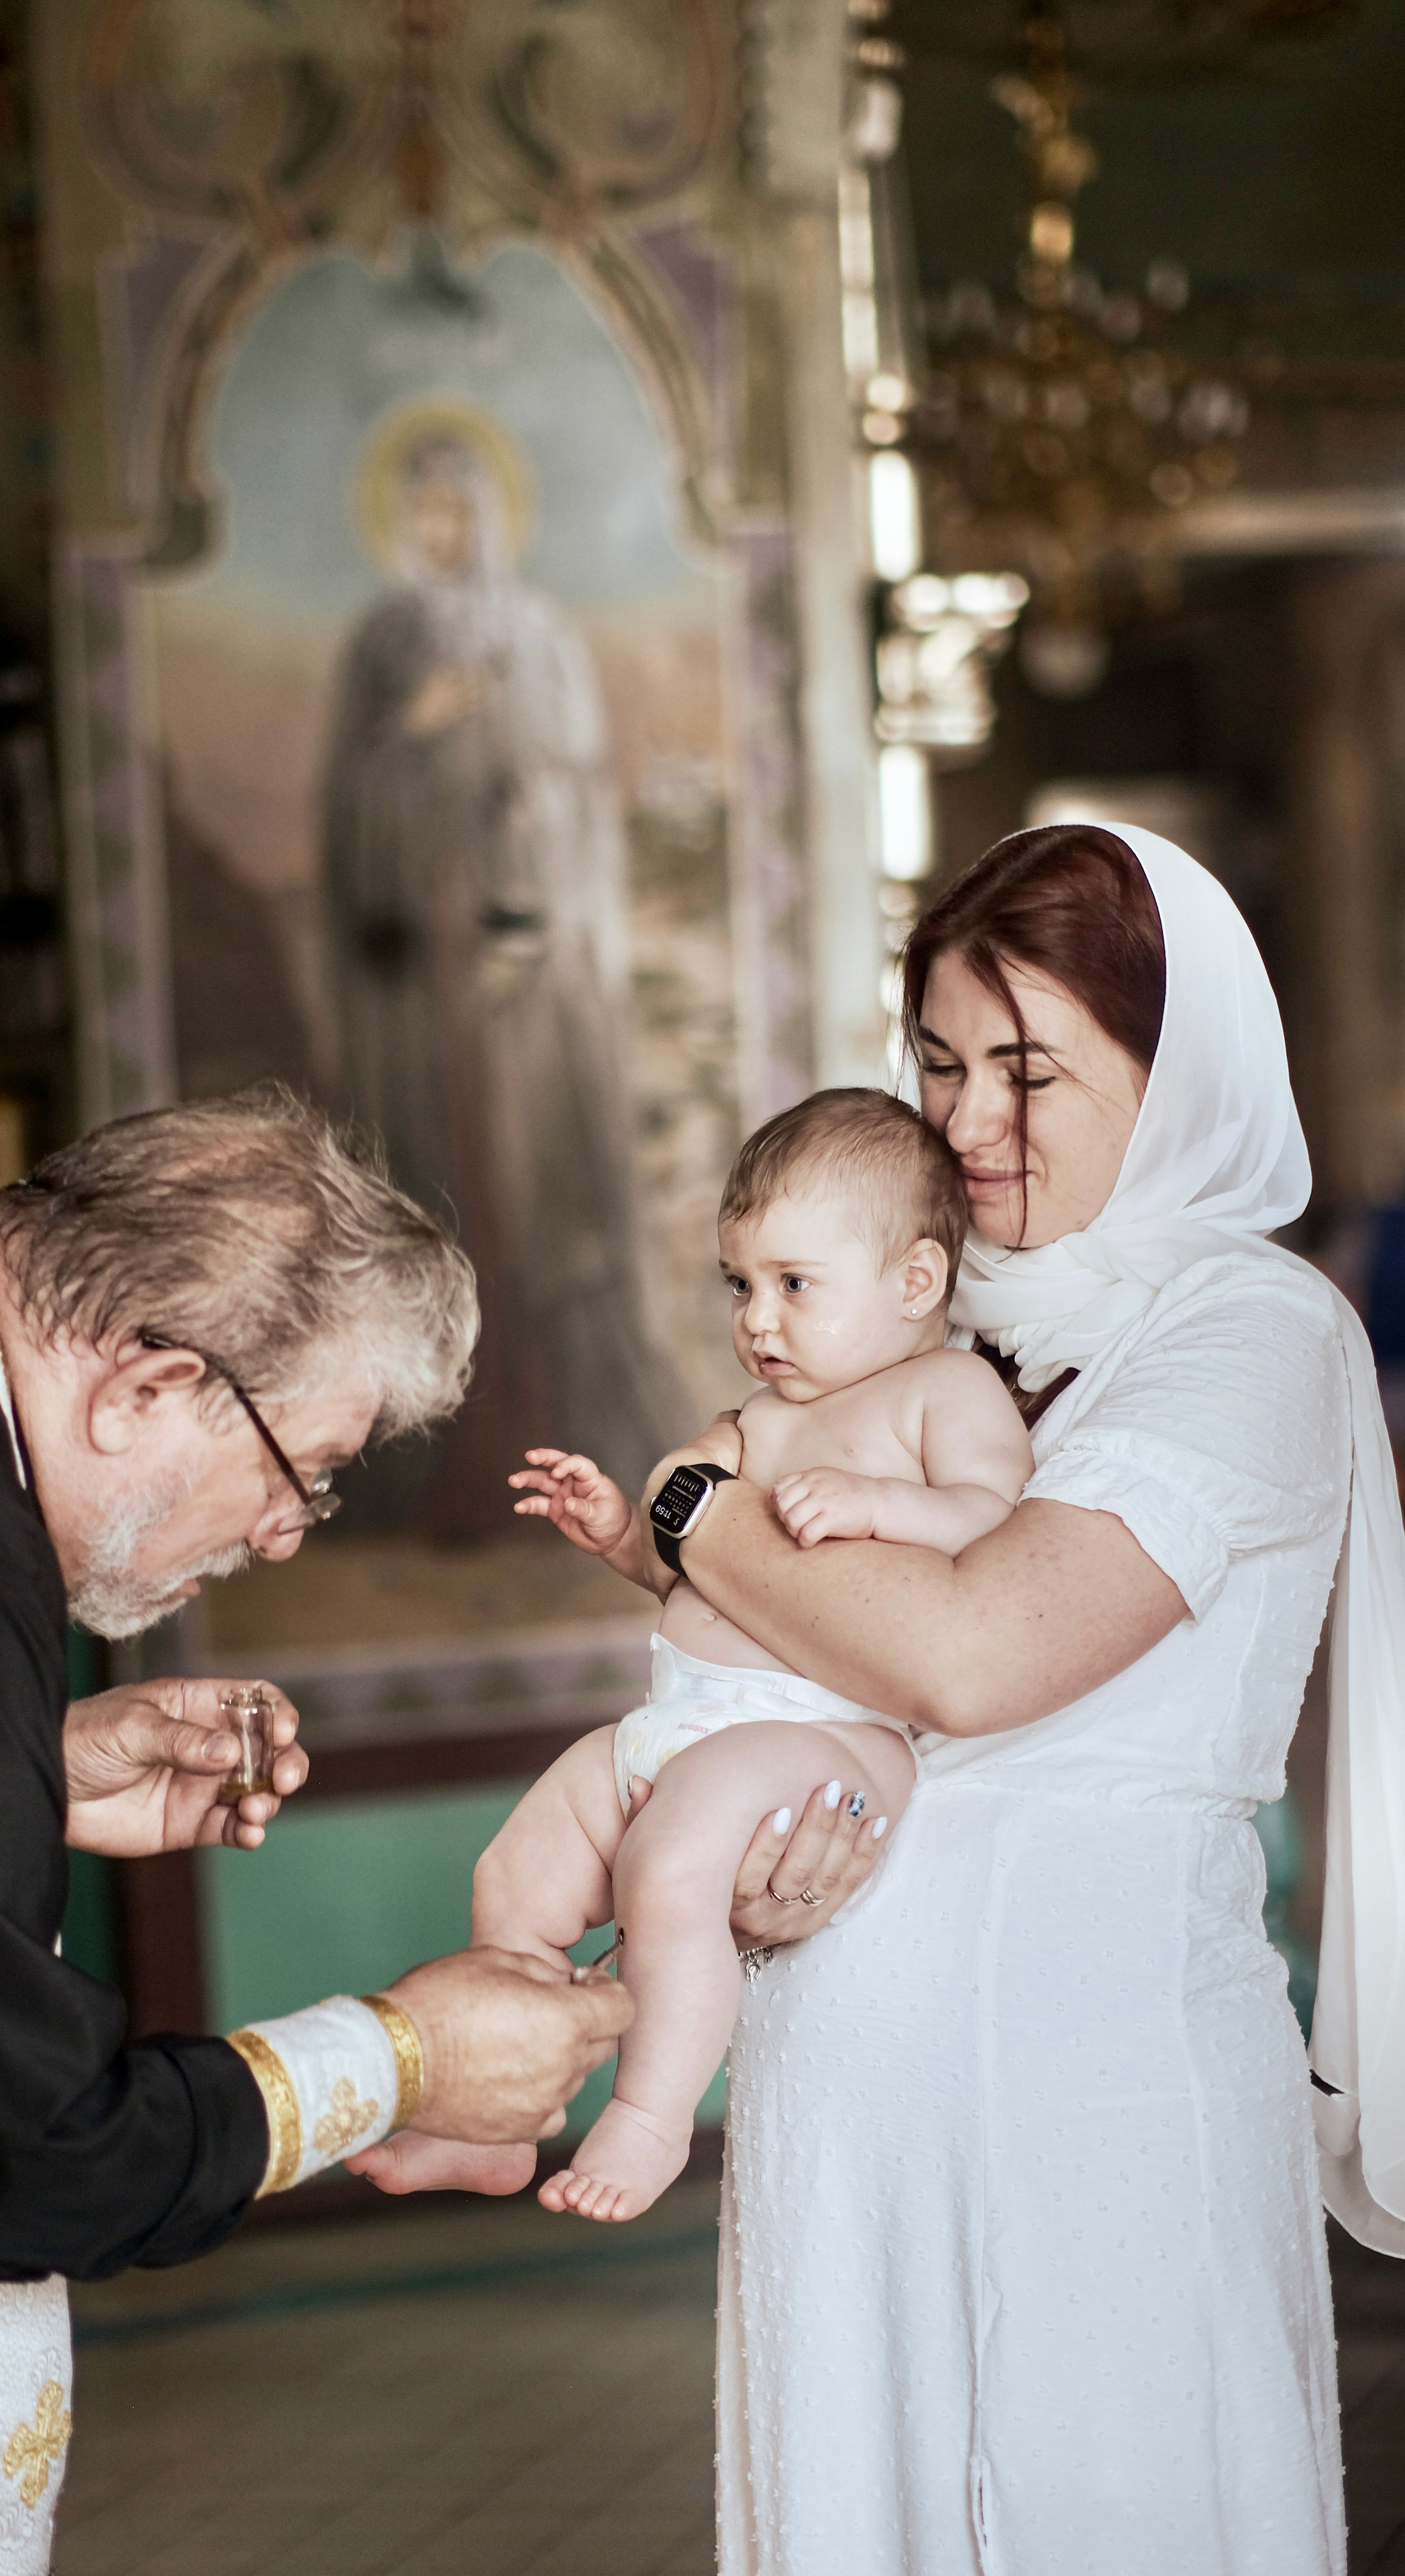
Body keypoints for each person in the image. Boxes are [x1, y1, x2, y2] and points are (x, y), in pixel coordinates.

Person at [0, 1085, 631, 2568]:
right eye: (303, 1473)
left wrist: (18, 1775)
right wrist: (403, 2058)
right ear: (145, 1384)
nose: (279, 1535)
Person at [624, 820, 1405, 2575]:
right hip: (844, 2097)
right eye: (938, 1060)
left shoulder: (1251, 1331)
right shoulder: (916, 1296)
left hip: (1098, 2089)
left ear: (1171, 1065)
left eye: (1028, 1070)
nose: (965, 1123)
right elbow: (768, 1599)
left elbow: (974, 1651)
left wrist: (693, 1515)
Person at [356, 1090, 1031, 2222]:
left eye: (794, 1284)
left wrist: (877, 1501)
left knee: (668, 1865)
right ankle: (492, 2124)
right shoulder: (756, 1421)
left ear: (915, 1282)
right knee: (512, 1875)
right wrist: (624, 1532)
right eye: (741, 1285)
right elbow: (696, 1573)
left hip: (823, 1736)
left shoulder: (943, 1394)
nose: (758, 1319)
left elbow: (994, 1520)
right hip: (686, 1721)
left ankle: (653, 2120)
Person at [322, 421, 683, 1531]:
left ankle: (568, 1447)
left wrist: (531, 861)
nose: (441, 529)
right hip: (424, 987)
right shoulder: (383, 645)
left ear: (488, 516)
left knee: (541, 1203)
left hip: (521, 984)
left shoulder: (539, 638)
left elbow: (574, 792)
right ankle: (446, 1474)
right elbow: (350, 806)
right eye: (421, 510)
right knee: (441, 1190)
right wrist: (413, 738)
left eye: (457, 508)